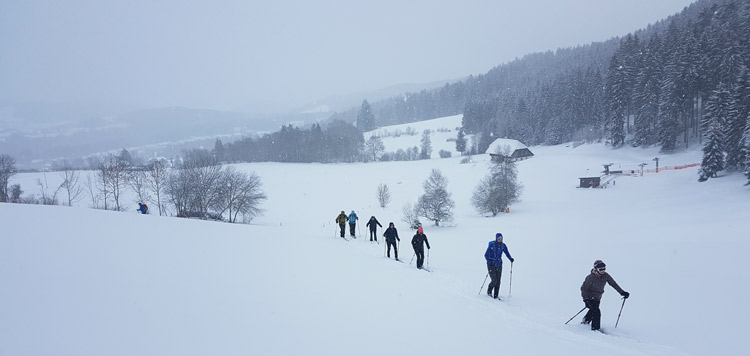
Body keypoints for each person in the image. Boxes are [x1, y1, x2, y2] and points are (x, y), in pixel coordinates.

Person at [580, 260, 630, 331]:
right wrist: (586, 300)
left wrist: (622, 292)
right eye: (601, 269)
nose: (602, 271)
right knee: (597, 312)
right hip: (590, 297)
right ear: (596, 269)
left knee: (593, 310)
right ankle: (595, 329)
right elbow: (584, 289)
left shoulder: (606, 276)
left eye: (604, 269)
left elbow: (613, 284)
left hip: (598, 297)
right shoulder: (590, 277)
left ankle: (585, 322)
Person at [484, 233, 514, 299]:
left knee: (498, 281)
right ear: (496, 238)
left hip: (499, 264)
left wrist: (510, 258)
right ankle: (489, 291)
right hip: (491, 265)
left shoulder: (503, 246)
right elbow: (486, 255)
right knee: (494, 281)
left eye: (501, 238)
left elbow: (507, 253)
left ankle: (496, 296)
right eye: (499, 239)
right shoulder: (492, 245)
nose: (500, 240)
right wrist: (490, 262)